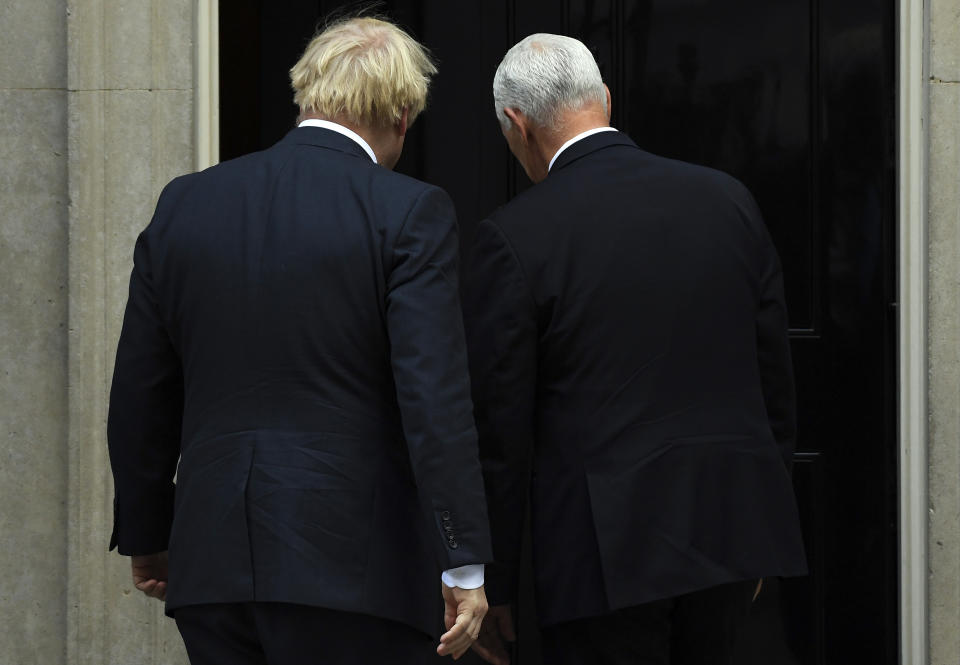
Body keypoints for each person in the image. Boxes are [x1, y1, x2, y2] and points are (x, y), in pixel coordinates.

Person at [107, 16, 491, 665]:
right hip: (352, 570)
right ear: (402, 114)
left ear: (308, 91)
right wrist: (463, 563)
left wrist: (148, 528)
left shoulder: (186, 204)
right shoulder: (408, 211)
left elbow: (141, 388)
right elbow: (434, 398)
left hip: (214, 562)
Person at [466, 33, 807, 665]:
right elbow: (773, 382)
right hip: (729, 526)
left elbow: (501, 436)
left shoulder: (514, 236)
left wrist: (495, 583)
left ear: (516, 124)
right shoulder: (727, 200)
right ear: (605, 100)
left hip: (603, 555)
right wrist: (761, 518)